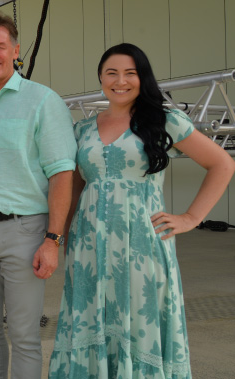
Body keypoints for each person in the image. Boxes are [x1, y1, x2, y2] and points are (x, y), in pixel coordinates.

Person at [49, 43, 235, 378]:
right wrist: (59, 235)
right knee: (91, 319)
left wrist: (191, 218)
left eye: (130, 73)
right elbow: (75, 187)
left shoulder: (164, 120)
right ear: (101, 78)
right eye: (112, 73)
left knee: (138, 321)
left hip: (142, 247)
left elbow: (222, 164)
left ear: (142, 78)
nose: (120, 81)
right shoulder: (83, 130)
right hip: (88, 247)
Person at [0, 10, 78, 379]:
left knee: (23, 334)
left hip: (26, 232)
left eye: (1, 47)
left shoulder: (42, 100)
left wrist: (53, 239)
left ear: (16, 50)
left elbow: (61, 173)